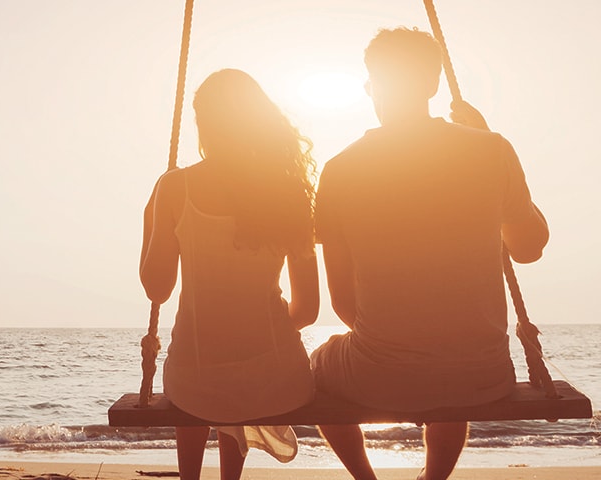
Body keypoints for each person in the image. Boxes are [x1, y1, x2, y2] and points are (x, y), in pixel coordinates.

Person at [310, 28, 550, 480]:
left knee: (319, 362)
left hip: (379, 374)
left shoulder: (340, 170)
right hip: (484, 373)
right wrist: (486, 139)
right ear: (435, 84)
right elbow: (530, 248)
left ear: (371, 85)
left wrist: (402, 343)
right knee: (450, 355)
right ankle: (434, 477)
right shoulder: (491, 149)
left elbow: (343, 304)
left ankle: (366, 478)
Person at [140, 68, 320, 480]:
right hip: (278, 378)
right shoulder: (288, 190)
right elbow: (308, 310)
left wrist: (150, 221)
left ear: (203, 123)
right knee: (238, 371)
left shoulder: (174, 188)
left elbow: (157, 287)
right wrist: (257, 327)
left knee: (203, 375)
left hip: (195, 377)